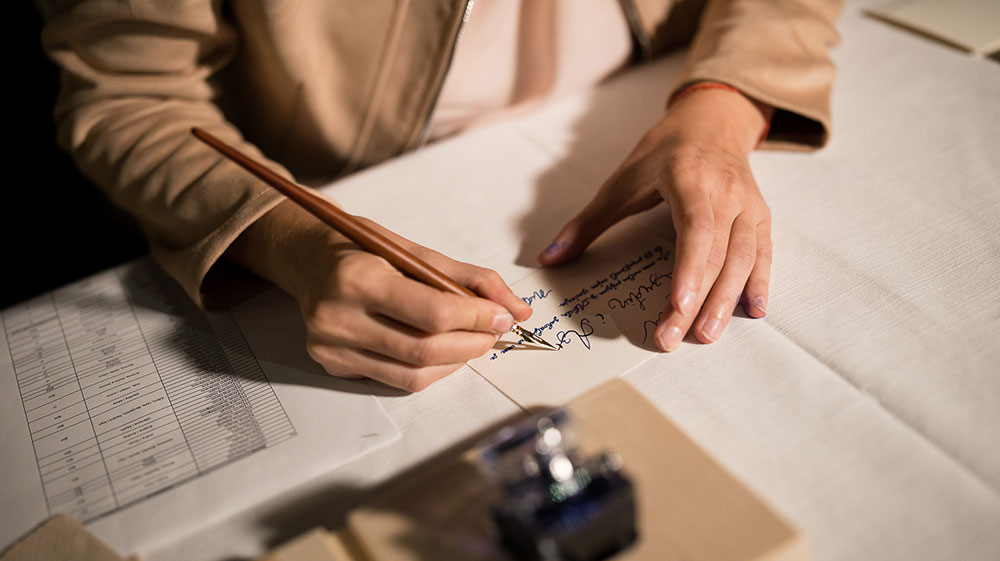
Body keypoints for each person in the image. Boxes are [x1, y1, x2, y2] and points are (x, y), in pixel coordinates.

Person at [38, 0, 844, 391]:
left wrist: (725, 103)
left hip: (646, 96)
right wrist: (288, 235)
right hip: (344, 183)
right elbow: (126, 93)